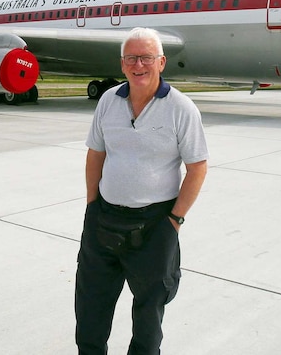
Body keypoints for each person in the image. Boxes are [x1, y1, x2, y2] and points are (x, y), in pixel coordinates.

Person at [75, 27, 209, 354]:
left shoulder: (181, 108)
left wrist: (174, 221)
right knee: (90, 310)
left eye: (147, 58)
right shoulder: (109, 100)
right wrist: (93, 205)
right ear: (122, 64)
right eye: (131, 58)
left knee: (148, 318)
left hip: (155, 225)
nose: (139, 65)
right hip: (103, 220)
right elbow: (96, 154)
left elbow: (197, 167)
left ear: (161, 62)